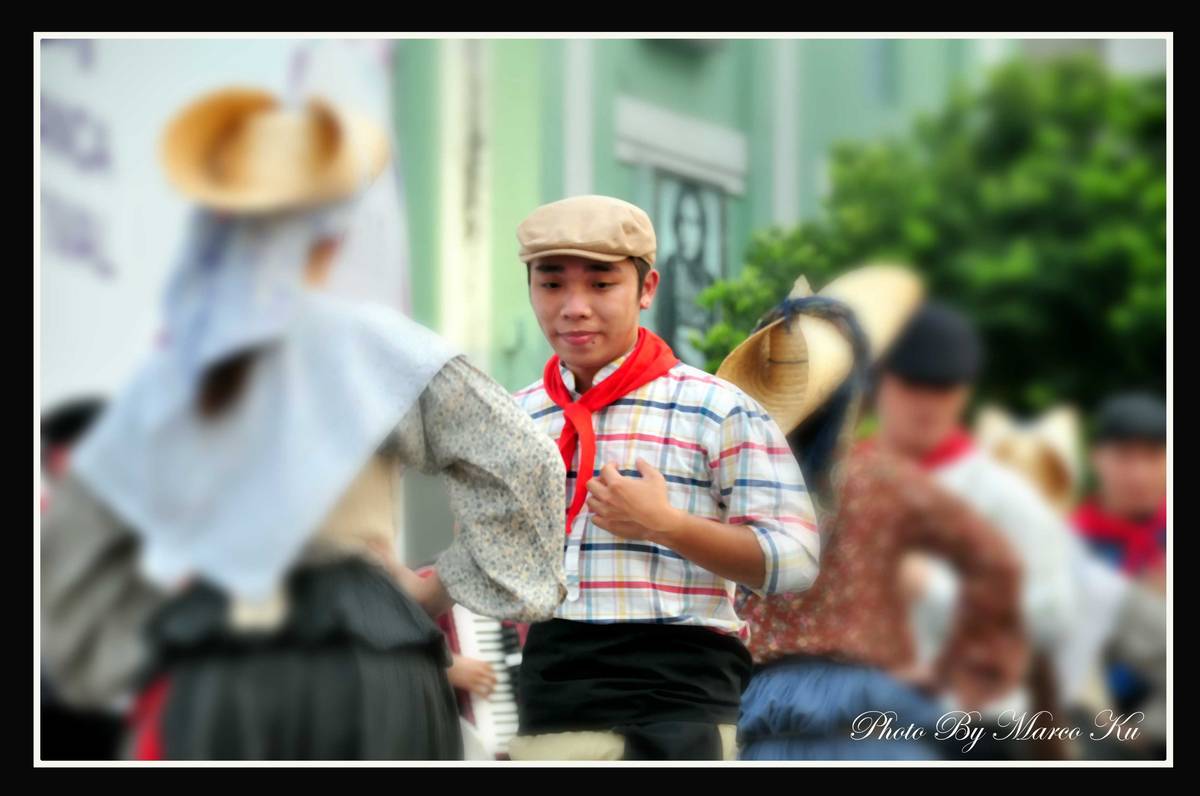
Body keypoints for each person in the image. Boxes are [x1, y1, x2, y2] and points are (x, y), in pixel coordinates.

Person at [40, 87, 567, 760]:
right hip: (367, 653)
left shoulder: (171, 368)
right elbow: (527, 462)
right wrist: (437, 586)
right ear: (331, 234)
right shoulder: (376, 347)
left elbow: (80, 570)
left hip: (221, 659)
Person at [507, 195, 821, 760]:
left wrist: (666, 525)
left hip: (684, 707)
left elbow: (795, 560)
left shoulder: (716, 410)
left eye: (601, 284)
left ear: (647, 288)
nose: (574, 307)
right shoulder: (515, 418)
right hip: (554, 709)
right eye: (551, 284)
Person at [720, 266, 1027, 760]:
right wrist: (967, 670)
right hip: (873, 719)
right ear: (857, 396)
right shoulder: (881, 480)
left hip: (767, 716)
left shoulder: (737, 489)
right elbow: (997, 566)